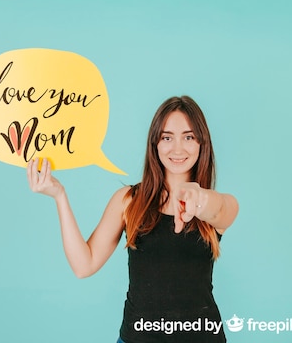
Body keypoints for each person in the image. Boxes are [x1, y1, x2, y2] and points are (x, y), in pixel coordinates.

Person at [26, 96, 239, 342]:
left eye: (189, 137)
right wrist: (59, 196)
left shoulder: (218, 205)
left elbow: (220, 207)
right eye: (167, 137)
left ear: (202, 143)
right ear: (155, 144)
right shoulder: (128, 200)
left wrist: (198, 199)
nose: (178, 148)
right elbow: (84, 265)